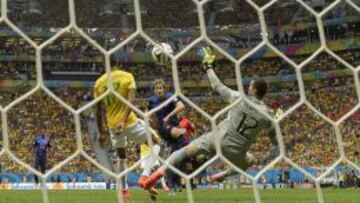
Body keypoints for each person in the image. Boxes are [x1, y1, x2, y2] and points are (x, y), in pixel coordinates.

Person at [142, 47, 278, 194]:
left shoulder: (239, 98)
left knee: (182, 153)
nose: (248, 87)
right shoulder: (268, 115)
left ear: (254, 91)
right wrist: (275, 123)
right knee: (250, 161)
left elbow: (216, 85)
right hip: (236, 151)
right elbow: (275, 141)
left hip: (216, 139)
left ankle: (157, 173)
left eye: (250, 86)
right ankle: (222, 175)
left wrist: (208, 65)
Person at [94, 66, 161, 200]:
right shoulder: (126, 76)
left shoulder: (99, 83)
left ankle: (124, 190)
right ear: (117, 64)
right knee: (156, 142)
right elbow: (131, 100)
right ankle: (145, 177)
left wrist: (102, 132)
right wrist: (123, 120)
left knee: (122, 156)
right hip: (129, 122)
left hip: (112, 125)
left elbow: (98, 109)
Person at [148, 79, 187, 192]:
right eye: (156, 88)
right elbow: (148, 113)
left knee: (176, 158)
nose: (158, 90)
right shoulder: (152, 100)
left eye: (160, 88)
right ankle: (178, 138)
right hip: (164, 128)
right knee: (178, 134)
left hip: (173, 126)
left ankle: (175, 184)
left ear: (164, 89)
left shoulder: (170, 96)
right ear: (154, 90)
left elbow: (181, 106)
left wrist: (169, 116)